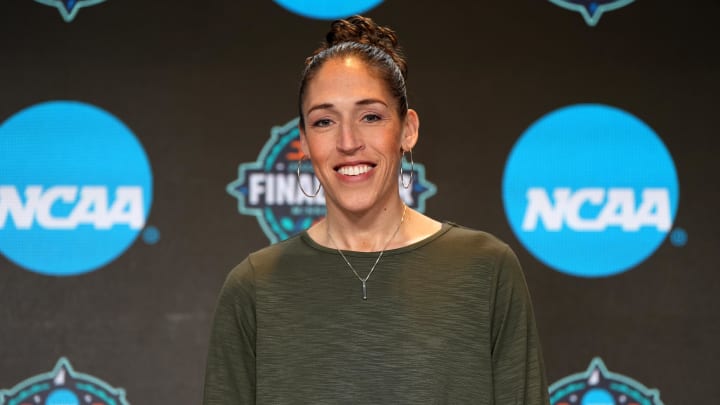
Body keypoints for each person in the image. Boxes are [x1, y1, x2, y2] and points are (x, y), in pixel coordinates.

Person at [204, 15, 549, 404]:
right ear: (304, 141)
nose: (348, 140)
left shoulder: (486, 269)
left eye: (370, 116)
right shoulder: (253, 287)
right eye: (324, 121)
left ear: (407, 129)